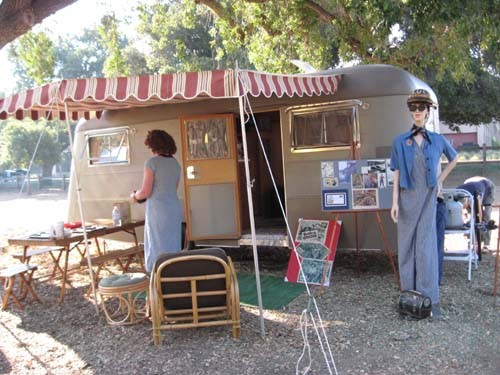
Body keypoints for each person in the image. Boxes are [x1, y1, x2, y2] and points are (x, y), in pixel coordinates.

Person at [390, 89, 458, 320]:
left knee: (426, 249)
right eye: (413, 108)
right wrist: (394, 203)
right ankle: (409, 297)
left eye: (421, 108)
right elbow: (397, 172)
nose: (416, 112)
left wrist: (440, 180)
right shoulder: (400, 141)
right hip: (407, 200)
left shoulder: (437, 140)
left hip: (429, 199)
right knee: (406, 248)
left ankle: (429, 298)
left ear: (428, 112)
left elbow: (455, 158)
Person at [130, 130, 182, 272]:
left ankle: (156, 277)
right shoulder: (175, 164)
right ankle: (174, 274)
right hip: (173, 208)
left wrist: (134, 196)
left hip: (158, 210)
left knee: (157, 244)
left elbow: (146, 192)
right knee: (172, 243)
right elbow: (172, 189)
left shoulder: (152, 163)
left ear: (153, 146)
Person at [456, 176, 496, 249]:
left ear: (466, 201)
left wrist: (476, 224)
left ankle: (486, 244)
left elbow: (478, 215)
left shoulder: (476, 194)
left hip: (488, 187)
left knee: (485, 216)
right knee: (470, 218)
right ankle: (472, 240)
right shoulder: (456, 193)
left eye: (464, 206)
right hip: (469, 183)